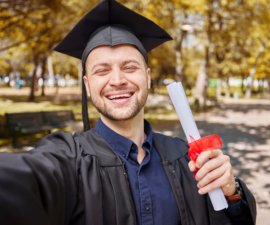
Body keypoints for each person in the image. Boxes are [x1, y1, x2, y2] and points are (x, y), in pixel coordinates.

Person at [0, 1, 256, 225]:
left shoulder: (184, 159)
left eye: (129, 67)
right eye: (102, 71)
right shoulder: (68, 161)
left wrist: (231, 193)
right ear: (88, 86)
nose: (117, 79)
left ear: (147, 77)